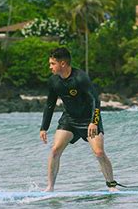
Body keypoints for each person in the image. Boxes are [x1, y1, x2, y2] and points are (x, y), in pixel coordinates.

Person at [40, 47, 118, 192]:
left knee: (99, 153)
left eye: (52, 63)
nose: (50, 67)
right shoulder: (53, 81)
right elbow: (50, 105)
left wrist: (94, 122)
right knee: (55, 150)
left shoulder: (80, 77)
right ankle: (50, 187)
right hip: (69, 119)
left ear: (62, 64)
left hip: (89, 119)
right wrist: (43, 127)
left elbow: (95, 100)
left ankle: (112, 186)